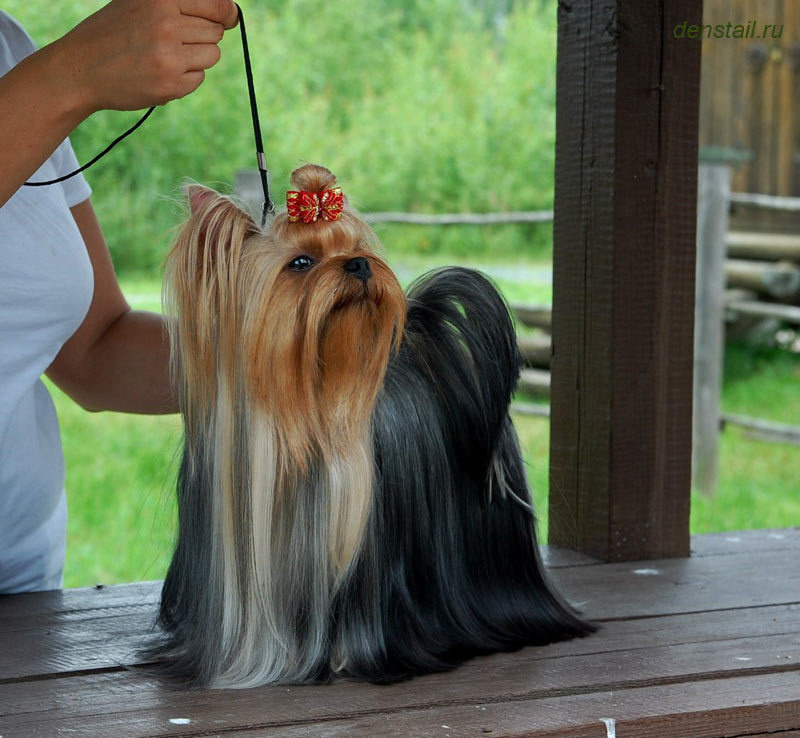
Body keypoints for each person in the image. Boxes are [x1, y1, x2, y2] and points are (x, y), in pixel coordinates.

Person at [0, 0, 238, 593]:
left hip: (24, 586)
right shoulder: (43, 77)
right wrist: (71, 74)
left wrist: (269, 355)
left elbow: (96, 352)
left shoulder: (8, 47)